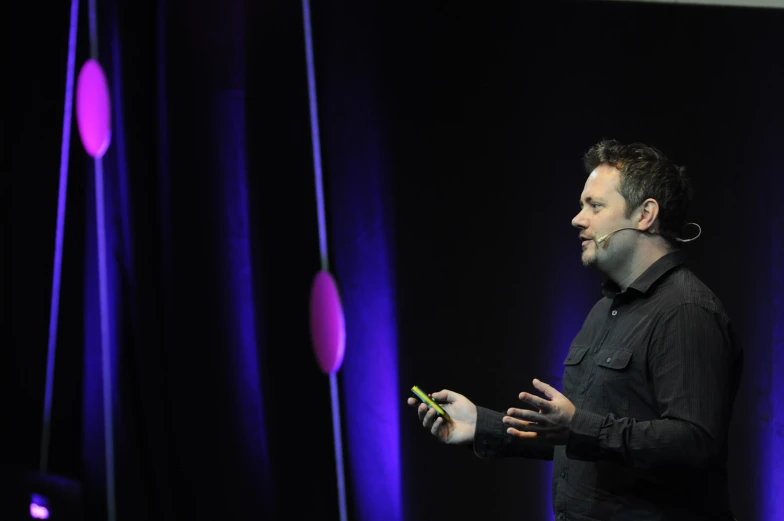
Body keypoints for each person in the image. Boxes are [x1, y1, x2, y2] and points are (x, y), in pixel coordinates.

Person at [407, 140, 743, 521]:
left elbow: (695, 441)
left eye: (595, 206)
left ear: (645, 214)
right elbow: (574, 438)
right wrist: (480, 425)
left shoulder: (685, 310)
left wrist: (579, 426)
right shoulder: (606, 310)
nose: (578, 219)